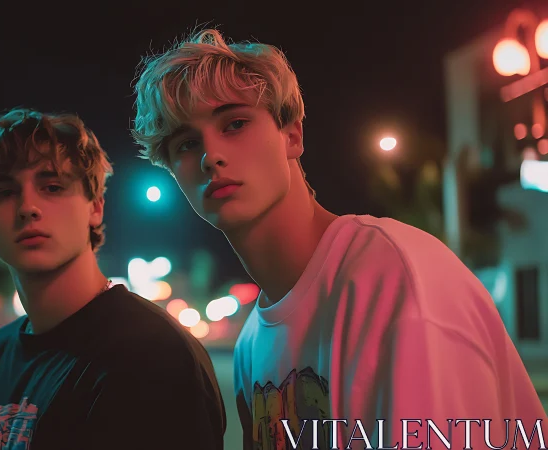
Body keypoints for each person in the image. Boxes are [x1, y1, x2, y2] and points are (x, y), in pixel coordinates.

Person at [132, 28, 548, 449]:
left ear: (292, 135)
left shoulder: (391, 276)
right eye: (186, 143)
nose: (211, 155)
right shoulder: (251, 345)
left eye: (235, 123)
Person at [0, 107, 226, 450]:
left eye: (52, 187)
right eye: (4, 192)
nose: (28, 207)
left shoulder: (151, 355)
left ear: (95, 207)